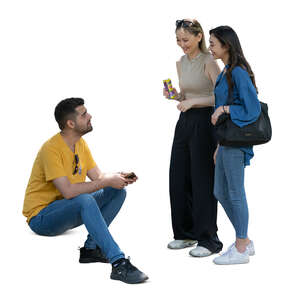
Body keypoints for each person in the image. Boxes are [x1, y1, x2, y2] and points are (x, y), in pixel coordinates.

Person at [22, 97, 148, 284]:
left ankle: (91, 249)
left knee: (117, 191)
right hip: (42, 218)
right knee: (84, 199)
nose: (90, 116)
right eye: (84, 114)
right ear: (70, 123)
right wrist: (106, 181)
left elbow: (98, 177)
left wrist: (117, 177)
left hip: (67, 209)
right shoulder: (51, 149)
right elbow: (69, 192)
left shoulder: (80, 144)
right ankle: (118, 263)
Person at [164, 19, 223, 257]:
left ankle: (208, 240)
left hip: (206, 122)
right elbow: (186, 96)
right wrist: (176, 96)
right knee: (178, 177)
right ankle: (185, 234)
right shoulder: (180, 63)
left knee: (202, 180)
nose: (181, 44)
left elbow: (221, 98)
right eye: (178, 40)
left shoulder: (209, 62)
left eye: (185, 39)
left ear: (199, 37)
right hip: (185, 122)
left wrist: (193, 102)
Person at [209, 26, 261, 265]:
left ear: (226, 45)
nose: (210, 47)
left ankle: (240, 246)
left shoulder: (238, 71)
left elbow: (253, 108)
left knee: (235, 193)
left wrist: (224, 109)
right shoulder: (226, 70)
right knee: (220, 191)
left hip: (237, 141)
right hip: (226, 142)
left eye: (213, 43)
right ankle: (245, 241)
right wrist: (219, 145)